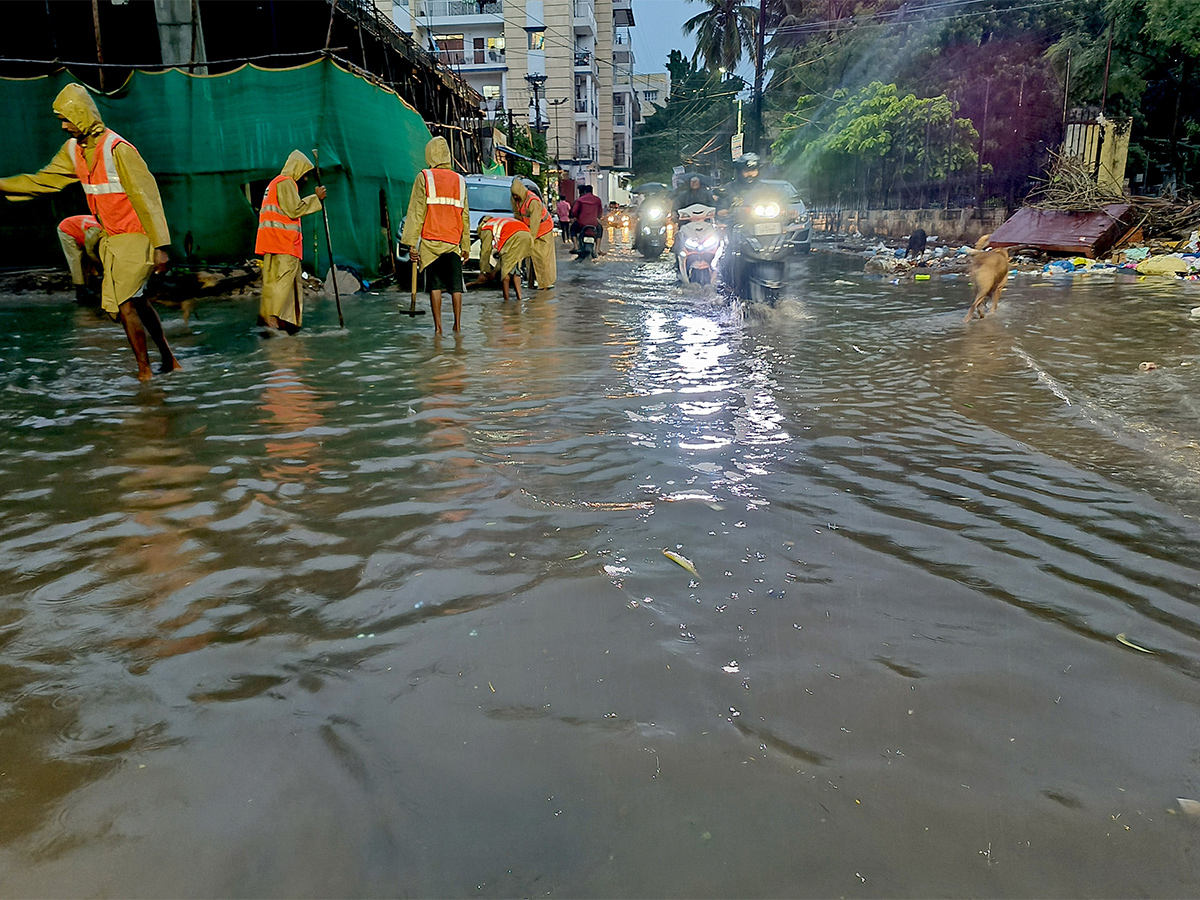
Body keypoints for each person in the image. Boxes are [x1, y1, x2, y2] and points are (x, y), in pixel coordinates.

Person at [0, 83, 180, 381]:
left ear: (81, 115)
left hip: (136, 236)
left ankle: (145, 372)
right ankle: (169, 359)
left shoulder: (118, 148)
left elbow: (147, 198)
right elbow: (42, 181)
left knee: (124, 304)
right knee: (137, 301)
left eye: (66, 118)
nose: (63, 126)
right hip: (111, 238)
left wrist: (160, 246)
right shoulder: (74, 151)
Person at [400, 136, 471, 333]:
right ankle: (457, 325)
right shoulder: (460, 180)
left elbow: (416, 212)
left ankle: (438, 328)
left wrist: (411, 244)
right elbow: (464, 214)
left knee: (435, 287)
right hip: (453, 242)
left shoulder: (425, 177)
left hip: (431, 242)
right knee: (456, 287)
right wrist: (466, 246)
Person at [254, 150, 326, 334]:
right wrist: (316, 198)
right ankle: (273, 319)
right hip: (284, 243)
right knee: (283, 283)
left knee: (275, 283)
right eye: (305, 174)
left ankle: (282, 321)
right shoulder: (286, 183)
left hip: (271, 243)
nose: (306, 179)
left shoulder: (274, 183)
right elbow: (294, 210)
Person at [467, 214, 533, 302]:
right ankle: (519, 299)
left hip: (514, 237)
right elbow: (503, 258)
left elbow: (485, 251)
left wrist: (484, 272)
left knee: (505, 274)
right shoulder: (499, 223)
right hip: (527, 235)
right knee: (515, 268)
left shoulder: (487, 227)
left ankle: (506, 301)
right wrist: (494, 272)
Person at [510, 178, 555, 289]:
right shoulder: (515, 200)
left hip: (543, 230)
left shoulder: (533, 202)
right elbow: (517, 216)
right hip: (528, 230)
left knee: (542, 258)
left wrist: (531, 238)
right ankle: (531, 283)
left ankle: (545, 284)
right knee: (530, 259)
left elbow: (535, 224)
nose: (515, 197)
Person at [57, 213, 103, 305]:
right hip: (68, 230)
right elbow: (90, 251)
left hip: (81, 231)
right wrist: (100, 266)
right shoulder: (95, 230)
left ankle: (89, 286)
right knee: (76, 259)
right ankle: (81, 290)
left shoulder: (104, 230)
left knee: (87, 261)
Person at [569, 184, 603, 253]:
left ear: (584, 191)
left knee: (572, 229)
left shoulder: (580, 200)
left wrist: (577, 217)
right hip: (594, 223)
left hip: (581, 223)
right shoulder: (597, 200)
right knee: (600, 229)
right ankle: (597, 249)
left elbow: (574, 211)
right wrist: (597, 216)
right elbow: (600, 212)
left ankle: (575, 245)